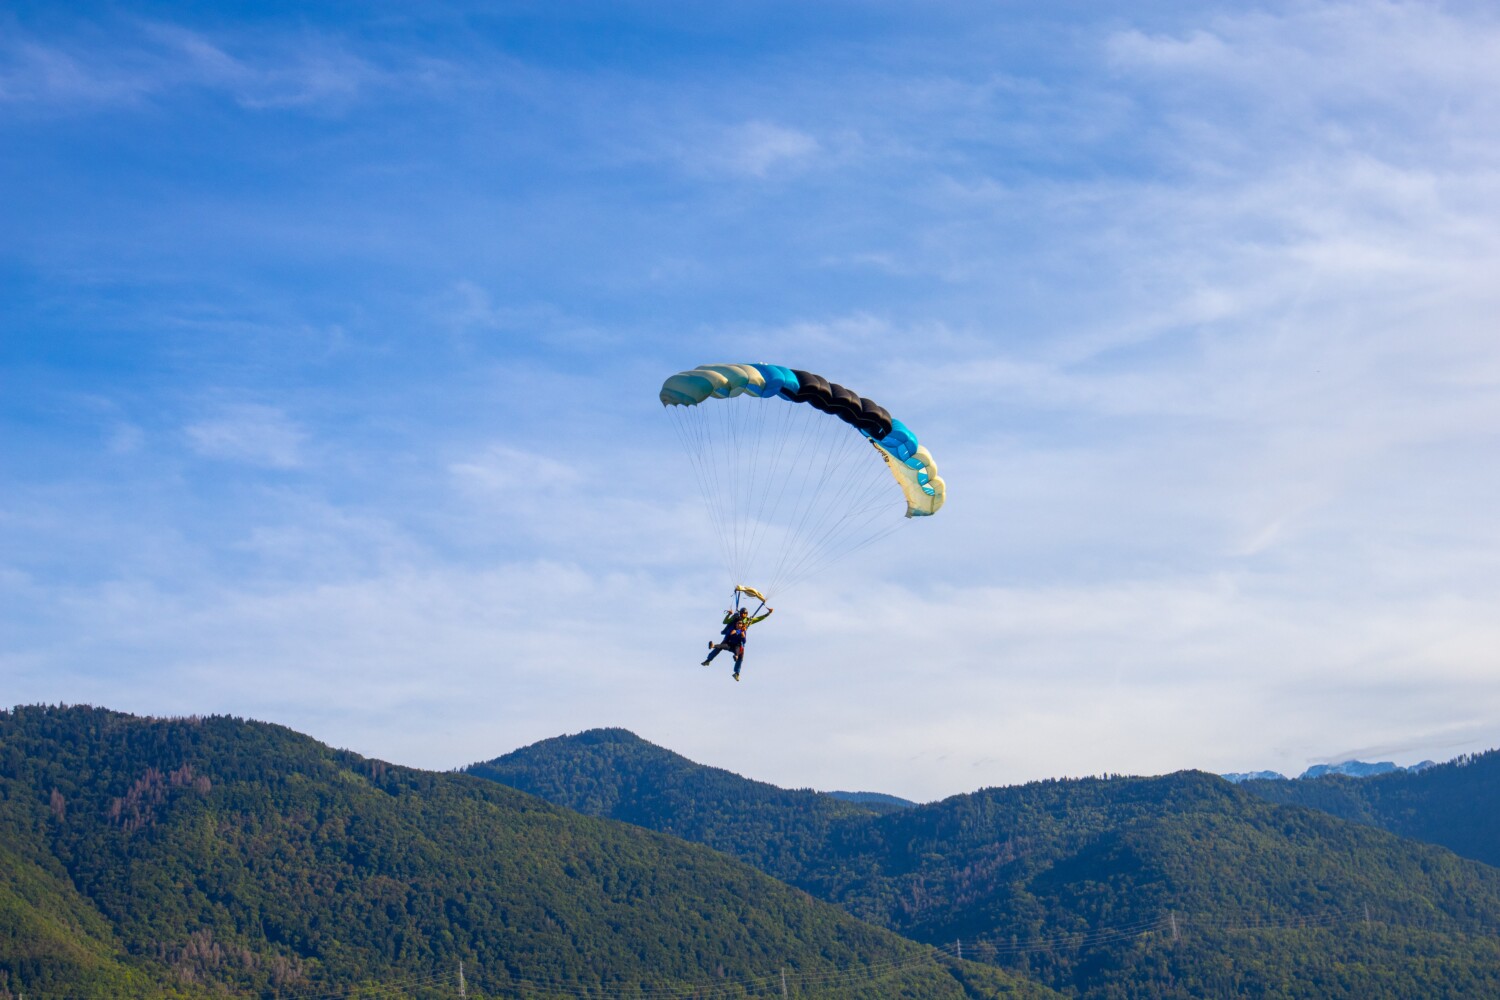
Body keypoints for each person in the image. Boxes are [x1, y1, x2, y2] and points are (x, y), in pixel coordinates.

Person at [702, 606, 774, 680]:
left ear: (746, 614)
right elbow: (725, 622)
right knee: (719, 647)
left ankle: (737, 673)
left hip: (739, 641)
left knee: (740, 656)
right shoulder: (735, 618)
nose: (743, 615)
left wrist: (768, 613)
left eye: (745, 613)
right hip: (729, 638)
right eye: (742, 613)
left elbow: (758, 619)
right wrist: (729, 614)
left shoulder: (748, 621)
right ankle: (708, 660)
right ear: (740, 613)